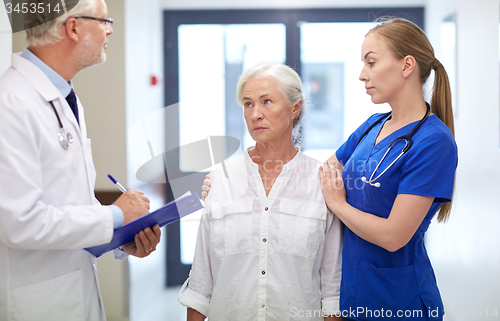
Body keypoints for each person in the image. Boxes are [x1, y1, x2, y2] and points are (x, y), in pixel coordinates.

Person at [0, 1, 161, 320]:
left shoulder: (63, 98)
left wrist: (121, 237)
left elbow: (69, 202)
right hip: (38, 303)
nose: (110, 30)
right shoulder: (11, 102)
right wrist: (115, 214)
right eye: (104, 21)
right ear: (73, 28)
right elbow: (19, 223)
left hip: (72, 293)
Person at [179, 63, 344, 321]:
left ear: (294, 107)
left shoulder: (320, 182)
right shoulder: (221, 179)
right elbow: (201, 284)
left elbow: (333, 289)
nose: (255, 113)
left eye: (266, 101)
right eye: (248, 104)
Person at [318, 18, 457, 320]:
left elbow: (394, 236)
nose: (361, 75)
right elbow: (322, 175)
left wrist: (338, 205)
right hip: (353, 295)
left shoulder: (434, 142)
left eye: (371, 62)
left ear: (407, 65)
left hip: (399, 302)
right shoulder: (373, 125)